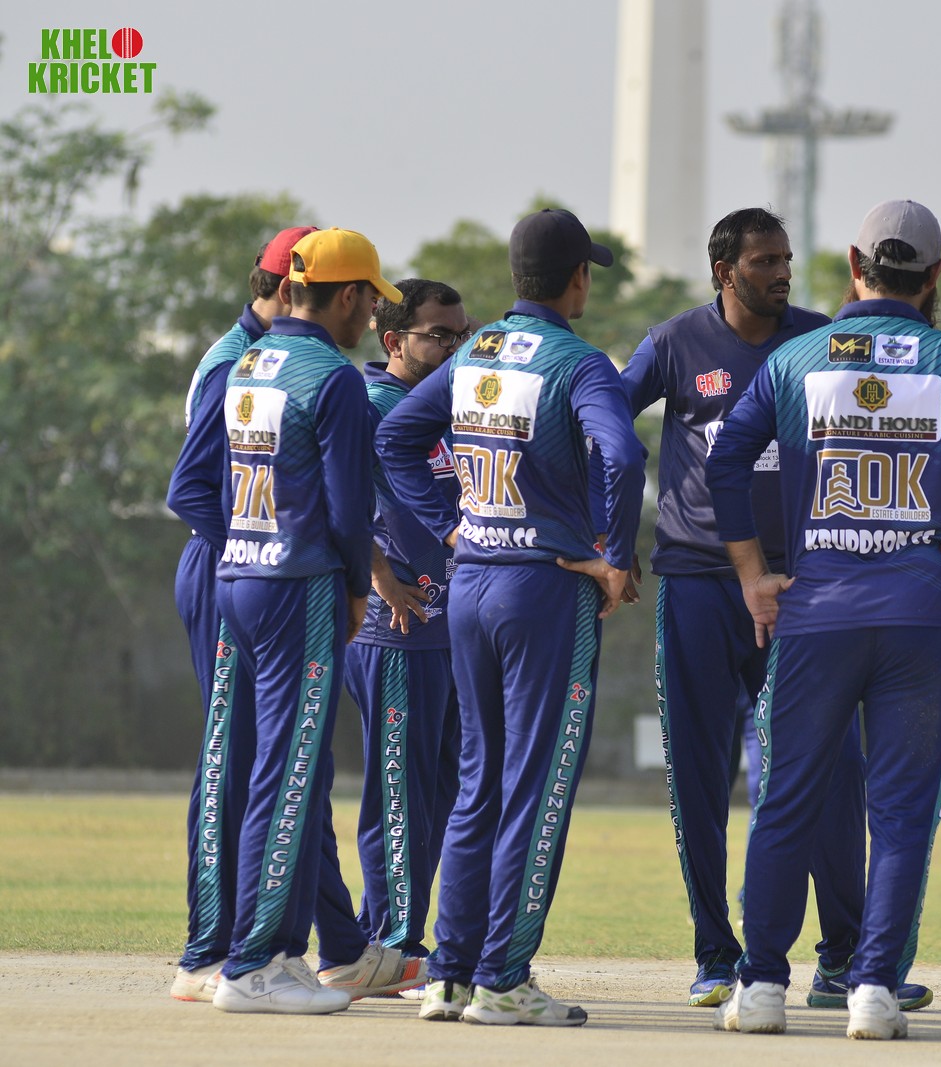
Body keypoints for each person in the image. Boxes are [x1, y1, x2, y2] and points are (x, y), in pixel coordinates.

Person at [706, 199, 941, 1040]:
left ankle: (762, 985)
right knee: (900, 813)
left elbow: (725, 462)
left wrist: (753, 574)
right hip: (921, 616)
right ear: (934, 275)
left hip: (816, 612)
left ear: (853, 263)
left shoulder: (794, 357)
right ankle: (873, 986)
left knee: (785, 802)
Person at [620, 207, 926, 1012]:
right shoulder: (673, 343)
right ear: (725, 271)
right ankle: (717, 954)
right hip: (697, 581)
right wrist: (610, 534)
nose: (782, 272)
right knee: (699, 774)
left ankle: (844, 956)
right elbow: (606, 423)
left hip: (804, 587)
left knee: (834, 770)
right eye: (765, 261)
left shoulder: (821, 339)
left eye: (786, 259)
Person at [375, 208, 645, 1026]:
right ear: (577, 279)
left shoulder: (477, 350)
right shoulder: (580, 361)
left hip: (471, 585)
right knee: (537, 783)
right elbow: (623, 452)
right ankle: (503, 976)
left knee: (476, 782)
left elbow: (396, 437)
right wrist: (616, 554)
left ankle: (450, 975)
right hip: (544, 589)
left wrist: (453, 524)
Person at [199, 227, 402, 1013]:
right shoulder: (336, 378)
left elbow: (209, 481)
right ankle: (252, 964)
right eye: (370, 301)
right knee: (287, 773)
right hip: (299, 583)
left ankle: (281, 953)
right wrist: (356, 588)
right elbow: (351, 508)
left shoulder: (249, 362)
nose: (371, 317)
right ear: (347, 296)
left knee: (281, 769)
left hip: (240, 575)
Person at [165, 225, 311, 1002]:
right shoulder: (236, 360)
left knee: (276, 759)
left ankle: (301, 940)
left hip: (253, 569)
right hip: (229, 564)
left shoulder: (273, 355)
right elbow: (192, 489)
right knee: (229, 756)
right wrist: (248, 550)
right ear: (289, 288)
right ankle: (207, 950)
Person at [342, 278, 470, 965]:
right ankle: (392, 942)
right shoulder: (370, 404)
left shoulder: (445, 407)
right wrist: (378, 575)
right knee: (399, 797)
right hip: (396, 629)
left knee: (440, 795)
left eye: (461, 334)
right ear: (393, 340)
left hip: (450, 628)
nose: (454, 347)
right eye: (438, 335)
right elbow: (335, 494)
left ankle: (383, 934)